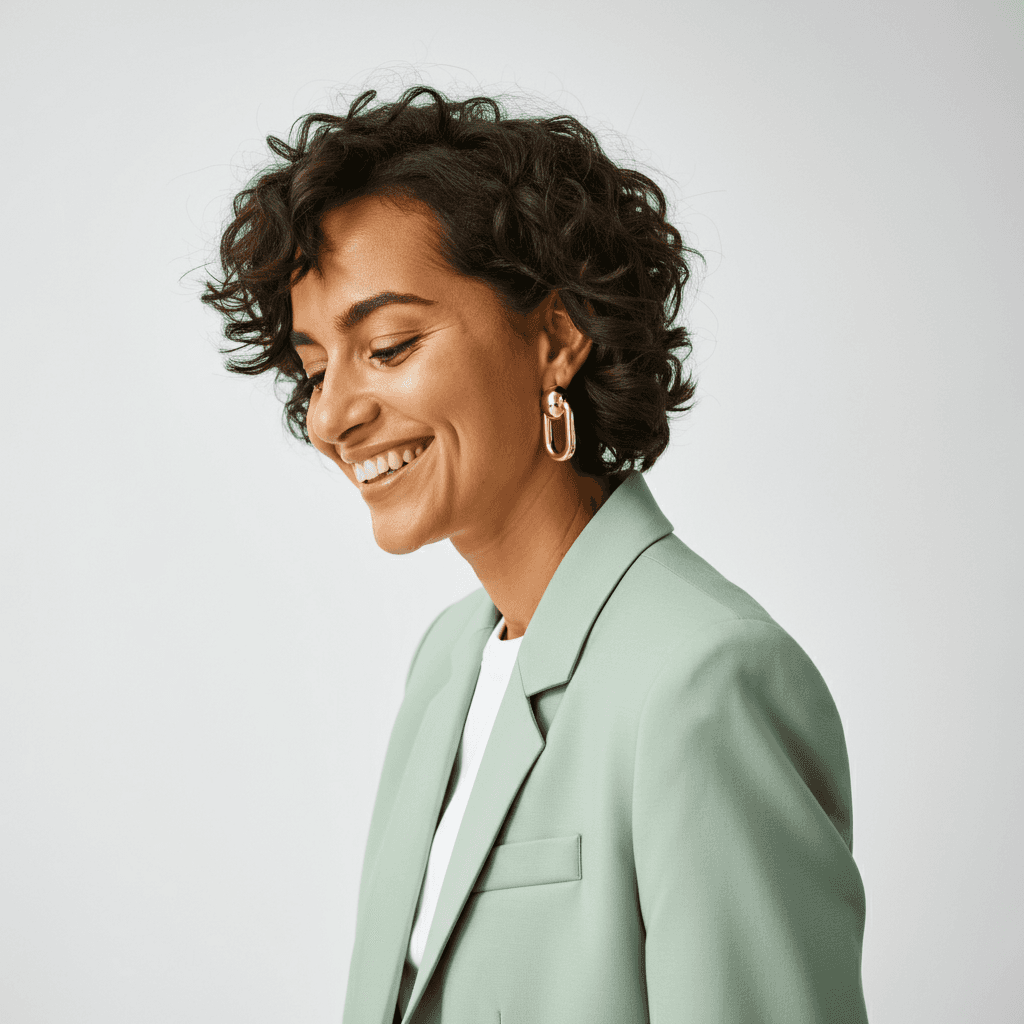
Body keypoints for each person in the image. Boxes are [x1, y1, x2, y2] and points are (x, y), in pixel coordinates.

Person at [202, 84, 869, 1024]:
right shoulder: (446, 663)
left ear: (557, 337)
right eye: (315, 368)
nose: (331, 416)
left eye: (389, 346)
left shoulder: (707, 678)